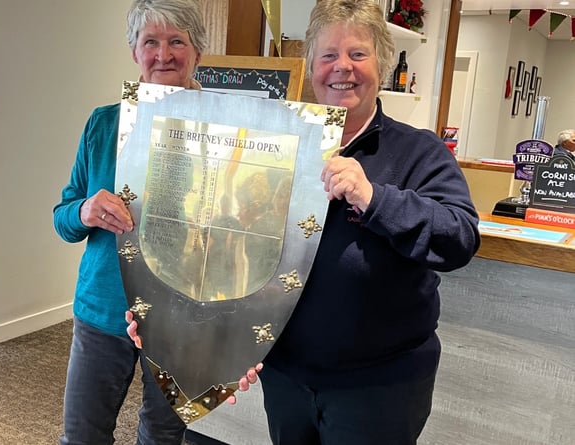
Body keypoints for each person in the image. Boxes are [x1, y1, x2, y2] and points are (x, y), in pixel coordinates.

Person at [256, 1, 481, 444]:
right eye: (328, 55)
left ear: (380, 62)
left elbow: (460, 236)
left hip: (381, 386)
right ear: (310, 67)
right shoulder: (278, 147)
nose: (343, 67)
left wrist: (374, 197)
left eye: (358, 54)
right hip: (285, 376)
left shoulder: (421, 151)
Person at [53, 1, 209, 443]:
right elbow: (63, 219)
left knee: (163, 435)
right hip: (102, 309)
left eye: (177, 41)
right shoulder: (102, 125)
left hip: (182, 313)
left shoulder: (227, 132)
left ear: (197, 51)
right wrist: (84, 210)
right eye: (151, 42)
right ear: (134, 51)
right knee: (82, 435)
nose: (164, 54)